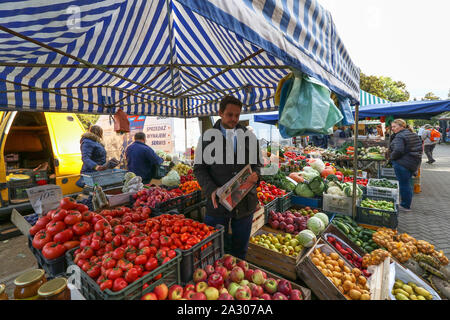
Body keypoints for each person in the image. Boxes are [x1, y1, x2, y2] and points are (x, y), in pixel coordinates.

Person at [194, 96, 262, 259]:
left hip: (245, 203)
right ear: (220, 113)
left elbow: (258, 164)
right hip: (217, 203)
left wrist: (256, 176)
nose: (234, 119)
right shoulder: (207, 138)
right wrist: (212, 189)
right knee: (214, 250)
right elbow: (199, 169)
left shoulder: (249, 137)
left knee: (240, 251)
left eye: (237, 115)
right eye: (230, 115)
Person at [389, 119, 423, 212]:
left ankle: (405, 205)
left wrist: (391, 157)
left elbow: (398, 150)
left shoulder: (400, 136)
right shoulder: (413, 134)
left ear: (401, 126)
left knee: (404, 184)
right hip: (412, 163)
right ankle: (406, 203)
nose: (392, 129)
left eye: (394, 126)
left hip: (402, 163)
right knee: (407, 183)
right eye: (392, 127)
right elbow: (420, 148)